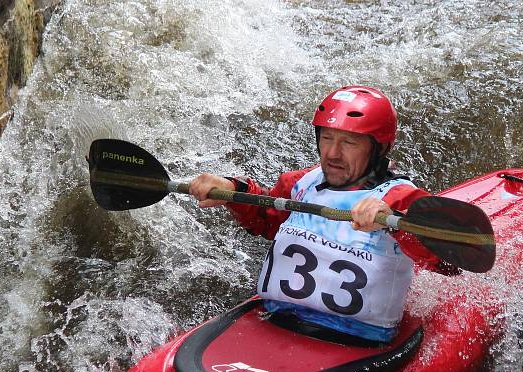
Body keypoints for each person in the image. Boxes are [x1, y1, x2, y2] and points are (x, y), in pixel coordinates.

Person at [189, 86, 452, 343]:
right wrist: (234, 190)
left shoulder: (401, 197)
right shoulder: (302, 183)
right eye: (326, 138)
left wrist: (394, 221)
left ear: (379, 149)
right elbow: (267, 219)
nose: (333, 153)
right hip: (278, 320)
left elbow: (447, 260)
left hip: (360, 340)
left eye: (348, 142)